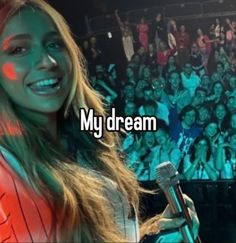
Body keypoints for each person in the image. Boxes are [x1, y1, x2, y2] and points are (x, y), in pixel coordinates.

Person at [0, 0, 199, 242]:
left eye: (54, 44)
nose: (48, 62)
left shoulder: (85, 140)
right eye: (19, 49)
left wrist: (153, 233)